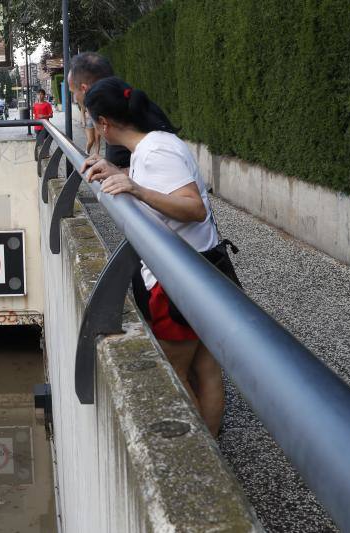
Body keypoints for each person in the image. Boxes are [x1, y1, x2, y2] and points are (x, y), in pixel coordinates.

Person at [81, 76, 225, 437]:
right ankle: (212, 450)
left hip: (178, 280)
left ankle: (200, 461)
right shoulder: (151, 147)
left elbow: (193, 208)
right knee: (206, 368)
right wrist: (120, 173)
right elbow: (166, 187)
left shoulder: (156, 150)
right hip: (197, 268)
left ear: (104, 124)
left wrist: (136, 188)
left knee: (174, 373)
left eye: (89, 120)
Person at [68, 52, 131, 168]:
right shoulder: (126, 108)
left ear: (84, 89)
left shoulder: (118, 125)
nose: (75, 99)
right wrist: (111, 167)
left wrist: (121, 173)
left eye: (73, 92)